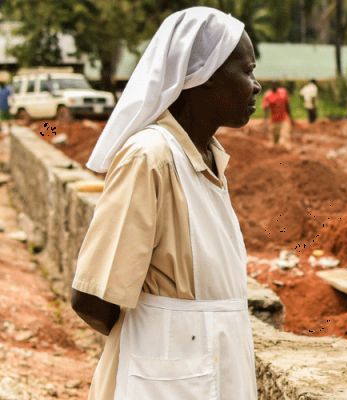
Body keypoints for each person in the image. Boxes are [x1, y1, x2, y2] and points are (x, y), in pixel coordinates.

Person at [70, 7, 261, 400]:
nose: (256, 85)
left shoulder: (209, 159)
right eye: (246, 71)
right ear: (202, 78)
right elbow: (92, 297)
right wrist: (167, 335)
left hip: (214, 374)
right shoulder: (151, 157)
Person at [261, 82, 293, 148]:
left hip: (284, 120)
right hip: (274, 121)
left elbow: (287, 106)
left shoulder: (283, 92)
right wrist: (265, 121)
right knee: (274, 142)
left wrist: (291, 118)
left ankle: (286, 155)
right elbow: (266, 109)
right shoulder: (268, 95)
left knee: (283, 141)